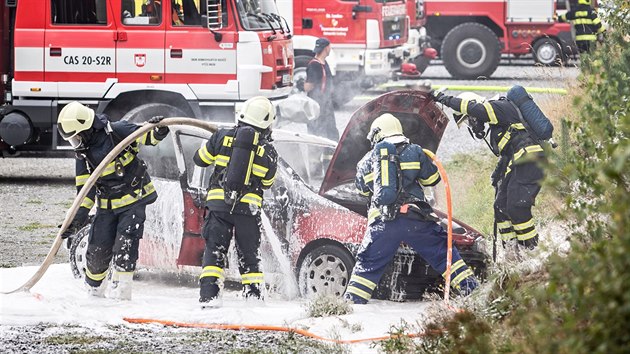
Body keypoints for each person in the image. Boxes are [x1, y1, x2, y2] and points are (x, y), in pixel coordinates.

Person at [343, 114, 478, 304]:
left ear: (376, 134)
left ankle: (351, 307)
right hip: (415, 218)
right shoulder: (414, 151)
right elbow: (432, 180)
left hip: (383, 223)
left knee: (367, 266)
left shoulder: (367, 161)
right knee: (443, 253)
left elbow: (362, 191)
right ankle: (473, 292)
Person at [58, 102, 170, 300]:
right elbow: (85, 191)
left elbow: (149, 137)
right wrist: (76, 220)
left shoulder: (117, 131)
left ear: (87, 129)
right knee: (97, 249)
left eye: (76, 137)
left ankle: (121, 293)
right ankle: (94, 291)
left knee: (126, 245)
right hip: (107, 207)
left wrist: (158, 129)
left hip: (134, 200)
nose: (75, 142)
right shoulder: (83, 155)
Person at [431, 91, 545, 259]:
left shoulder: (497, 107)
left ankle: (532, 252)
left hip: (531, 159)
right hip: (519, 162)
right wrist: (499, 171)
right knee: (500, 206)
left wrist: (442, 98)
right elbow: (509, 151)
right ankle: (511, 253)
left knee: (516, 208)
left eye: (470, 120)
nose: (472, 124)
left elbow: (471, 108)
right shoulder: (497, 123)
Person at [193, 96, 278, 309]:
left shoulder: (221, 136)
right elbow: (267, 182)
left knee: (214, 252)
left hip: (218, 206)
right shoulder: (268, 150)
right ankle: (254, 300)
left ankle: (209, 299)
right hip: (247, 211)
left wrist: (213, 142)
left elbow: (199, 160)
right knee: (250, 255)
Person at [304, 37, 340, 141]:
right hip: (317, 106)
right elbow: (307, 87)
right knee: (317, 134)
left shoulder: (325, 63)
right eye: (329, 47)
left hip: (326, 105)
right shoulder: (314, 65)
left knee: (331, 133)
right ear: (326, 48)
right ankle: (315, 156)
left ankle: (330, 156)